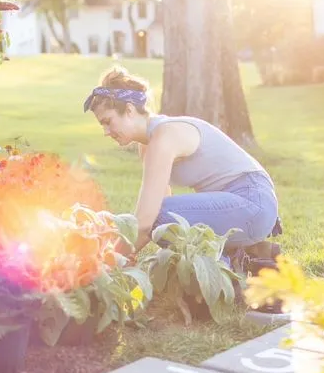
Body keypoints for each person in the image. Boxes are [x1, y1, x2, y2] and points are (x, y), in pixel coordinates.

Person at [83, 67, 281, 260]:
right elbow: (154, 211)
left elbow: (147, 221)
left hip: (253, 201)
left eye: (108, 121)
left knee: (162, 220)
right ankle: (249, 254)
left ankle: (229, 263)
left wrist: (108, 263)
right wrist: (125, 253)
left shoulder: (164, 136)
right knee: (164, 225)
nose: (106, 132)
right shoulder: (148, 145)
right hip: (241, 207)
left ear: (129, 110)